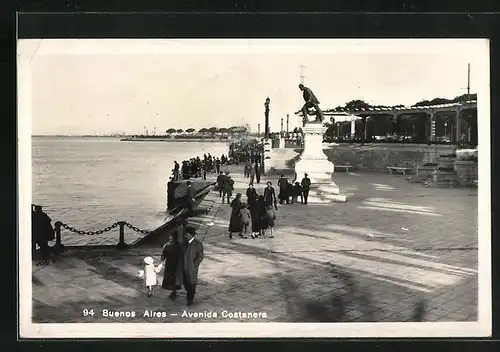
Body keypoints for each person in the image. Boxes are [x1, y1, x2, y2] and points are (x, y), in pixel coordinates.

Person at [182, 226, 204, 306]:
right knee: (185, 283)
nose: (185, 236)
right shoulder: (184, 243)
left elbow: (200, 256)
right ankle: (190, 293)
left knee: (192, 284)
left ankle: (190, 299)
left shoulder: (197, 244)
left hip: (192, 269)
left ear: (190, 234)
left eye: (186, 234)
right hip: (184, 267)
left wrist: (194, 265)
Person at [161, 232, 183, 301]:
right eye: (170, 236)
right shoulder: (167, 245)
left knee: (173, 278)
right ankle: (173, 290)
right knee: (171, 278)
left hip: (175, 264)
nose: (170, 237)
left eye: (171, 236)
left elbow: (181, 255)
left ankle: (174, 291)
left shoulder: (177, 245)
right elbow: (164, 254)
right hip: (170, 264)